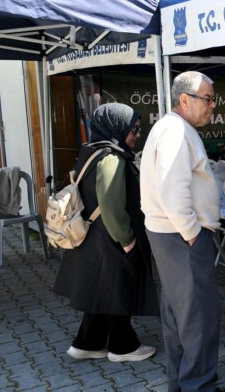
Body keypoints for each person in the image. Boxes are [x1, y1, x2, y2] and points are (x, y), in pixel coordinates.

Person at [54, 103, 159, 362]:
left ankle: (88, 342)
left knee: (102, 290)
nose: (137, 134)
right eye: (133, 129)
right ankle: (123, 347)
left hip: (96, 238)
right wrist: (127, 239)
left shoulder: (94, 151)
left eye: (138, 128)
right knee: (117, 289)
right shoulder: (111, 158)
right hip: (111, 238)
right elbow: (111, 203)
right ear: (116, 127)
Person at [140, 71, 222, 392]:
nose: (212, 105)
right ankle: (198, 386)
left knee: (178, 315)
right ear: (185, 100)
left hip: (169, 234)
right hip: (181, 237)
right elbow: (173, 189)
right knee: (198, 317)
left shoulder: (171, 127)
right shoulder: (176, 131)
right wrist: (193, 233)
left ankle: (182, 384)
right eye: (208, 98)